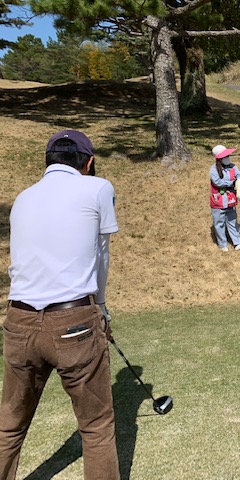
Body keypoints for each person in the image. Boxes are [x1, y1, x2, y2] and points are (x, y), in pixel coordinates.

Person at [0, 130, 120, 480]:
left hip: (19, 320)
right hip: (74, 319)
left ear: (48, 160)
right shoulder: (98, 188)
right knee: (96, 427)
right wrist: (101, 306)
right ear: (89, 162)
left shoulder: (23, 197)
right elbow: (101, 254)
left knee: (9, 425)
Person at [210, 145, 240, 252]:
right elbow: (218, 182)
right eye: (225, 156)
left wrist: (239, 181)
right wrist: (232, 182)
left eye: (228, 155)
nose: (227, 158)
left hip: (230, 200)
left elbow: (239, 175)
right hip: (218, 201)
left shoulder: (233, 167)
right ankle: (222, 244)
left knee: (232, 221)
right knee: (219, 223)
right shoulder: (213, 169)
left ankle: (238, 243)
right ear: (219, 158)